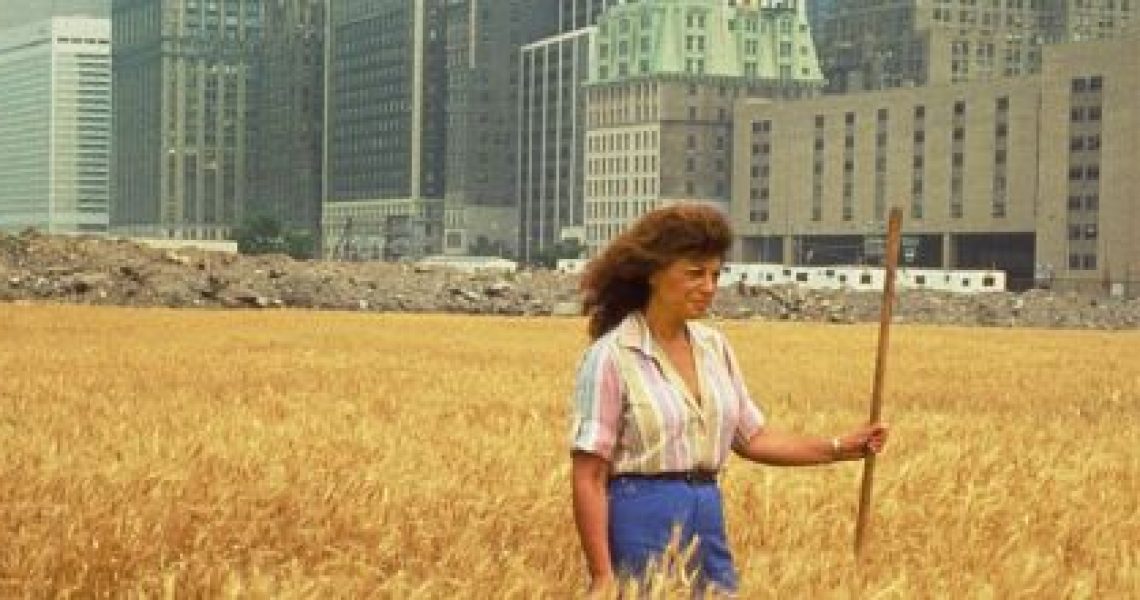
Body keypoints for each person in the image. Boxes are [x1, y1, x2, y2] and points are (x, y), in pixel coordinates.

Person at [569, 204, 889, 597]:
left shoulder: (713, 347)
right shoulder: (612, 356)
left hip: (707, 514)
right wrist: (601, 574)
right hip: (641, 515)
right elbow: (589, 475)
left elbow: (752, 438)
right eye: (695, 273)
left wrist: (840, 447)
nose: (709, 286)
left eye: (715, 275)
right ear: (653, 273)